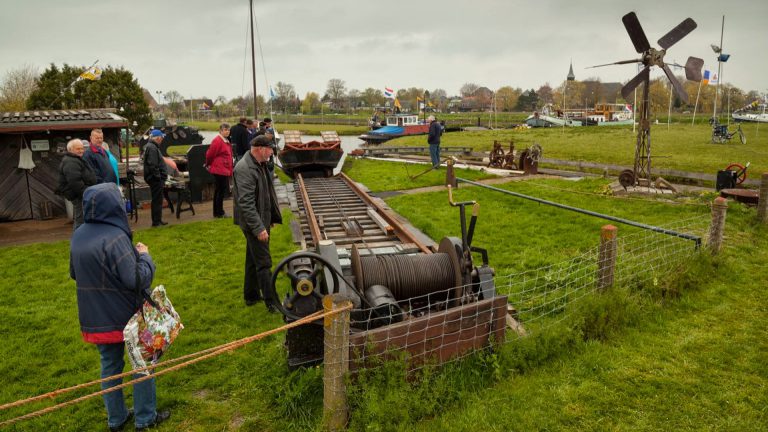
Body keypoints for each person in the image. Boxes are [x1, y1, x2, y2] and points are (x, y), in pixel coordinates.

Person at [70, 182, 171, 431]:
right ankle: (145, 418)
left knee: (110, 367)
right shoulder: (115, 237)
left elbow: (75, 273)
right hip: (127, 317)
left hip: (95, 316)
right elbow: (137, 279)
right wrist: (145, 256)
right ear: (112, 205)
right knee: (142, 363)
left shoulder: (79, 233)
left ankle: (116, 419)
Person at [233, 135, 282, 309]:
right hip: (253, 223)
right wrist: (259, 227)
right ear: (260, 149)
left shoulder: (258, 164)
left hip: (261, 219)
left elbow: (265, 194)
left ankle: (251, 295)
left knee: (252, 259)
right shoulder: (245, 169)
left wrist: (270, 218)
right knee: (264, 262)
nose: (272, 152)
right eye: (270, 149)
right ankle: (272, 302)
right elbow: (246, 203)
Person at [56, 139, 97, 231]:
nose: (81, 151)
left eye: (82, 148)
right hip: (79, 195)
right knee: (80, 220)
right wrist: (86, 193)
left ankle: (82, 239)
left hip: (82, 194)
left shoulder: (76, 159)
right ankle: (79, 241)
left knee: (81, 218)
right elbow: (75, 182)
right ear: (70, 150)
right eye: (78, 149)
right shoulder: (70, 162)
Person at [205, 123, 234, 218]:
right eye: (225, 130)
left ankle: (217, 212)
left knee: (219, 191)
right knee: (220, 191)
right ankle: (219, 212)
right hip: (219, 169)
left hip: (223, 169)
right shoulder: (217, 140)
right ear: (220, 131)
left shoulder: (225, 140)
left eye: (228, 130)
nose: (227, 131)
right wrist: (208, 164)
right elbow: (210, 154)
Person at [143, 129, 168, 227]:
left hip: (155, 178)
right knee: (157, 200)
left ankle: (158, 220)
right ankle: (156, 222)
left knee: (158, 200)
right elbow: (153, 165)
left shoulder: (152, 146)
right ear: (158, 138)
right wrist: (159, 178)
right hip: (155, 179)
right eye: (161, 137)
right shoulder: (152, 148)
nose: (162, 139)